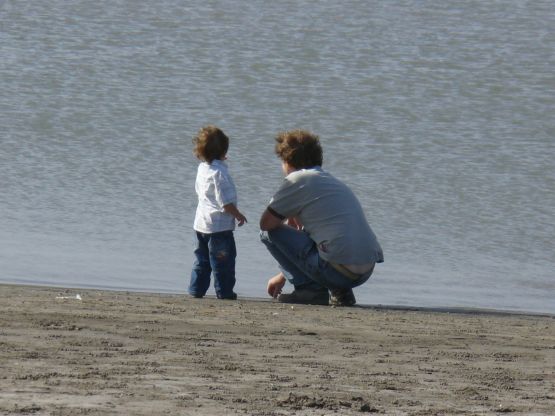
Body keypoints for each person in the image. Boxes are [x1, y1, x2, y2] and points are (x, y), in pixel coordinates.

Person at [259, 130, 383, 306]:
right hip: (365, 270)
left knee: (267, 233)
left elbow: (266, 223)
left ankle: (309, 290)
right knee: (323, 238)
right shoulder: (329, 181)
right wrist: (283, 275)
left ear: (287, 161)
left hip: (339, 270)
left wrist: (288, 272)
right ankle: (340, 292)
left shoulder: (297, 179)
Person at [189, 125, 247, 300]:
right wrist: (238, 215)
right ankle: (224, 292)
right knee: (223, 262)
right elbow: (225, 203)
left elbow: (200, 192)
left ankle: (196, 289)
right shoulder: (220, 173)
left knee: (202, 260)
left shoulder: (202, 169)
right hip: (219, 228)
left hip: (201, 224)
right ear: (224, 152)